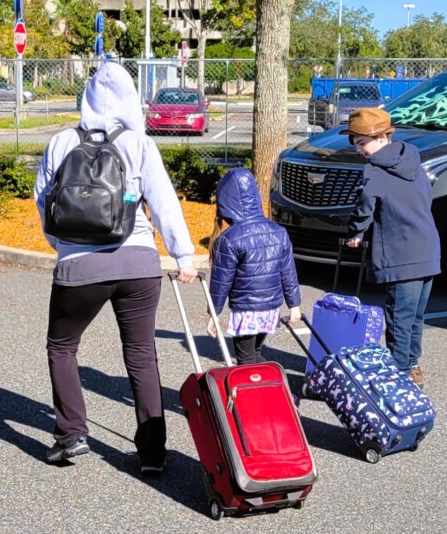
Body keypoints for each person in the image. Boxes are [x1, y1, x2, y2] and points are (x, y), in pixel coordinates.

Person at [34, 62, 197, 474]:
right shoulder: (140, 144)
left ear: (86, 97)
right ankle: (153, 454)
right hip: (138, 261)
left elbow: (43, 201)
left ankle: (71, 435)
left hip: (78, 265)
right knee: (142, 353)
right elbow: (163, 202)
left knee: (62, 347)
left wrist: (64, 246)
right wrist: (183, 255)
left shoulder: (60, 142)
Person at [343, 108, 440, 388]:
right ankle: (411, 366)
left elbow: (365, 208)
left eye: (362, 143)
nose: (359, 150)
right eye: (356, 144)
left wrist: (356, 233)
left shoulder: (375, 171)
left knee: (399, 317)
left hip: (401, 255)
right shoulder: (413, 160)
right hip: (428, 249)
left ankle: (398, 378)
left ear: (383, 137)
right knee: (414, 317)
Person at [205, 168, 303, 365]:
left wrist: (213, 313)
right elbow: (288, 271)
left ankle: (261, 393)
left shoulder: (229, 238)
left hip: (246, 309)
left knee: (246, 358)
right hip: (270, 307)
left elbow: (220, 282)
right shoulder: (278, 231)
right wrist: (294, 305)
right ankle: (273, 387)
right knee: (255, 352)